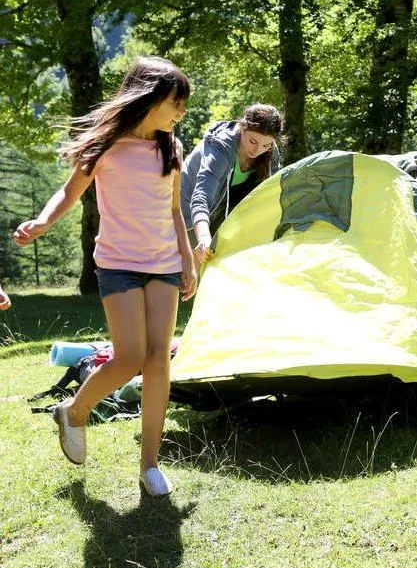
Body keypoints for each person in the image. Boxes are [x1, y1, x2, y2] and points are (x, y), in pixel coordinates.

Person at [13, 56, 197, 495]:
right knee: (130, 357)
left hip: (165, 264)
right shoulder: (106, 146)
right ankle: (74, 411)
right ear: (150, 99)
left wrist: (187, 259)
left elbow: (174, 210)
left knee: (158, 361)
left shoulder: (171, 146)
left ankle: (149, 464)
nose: (180, 112)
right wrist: (42, 222)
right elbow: (70, 191)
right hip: (118, 263)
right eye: (176, 102)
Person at [180, 103, 282, 266]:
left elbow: (271, 197)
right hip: (188, 215)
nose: (257, 150)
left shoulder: (270, 152)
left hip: (227, 214)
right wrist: (204, 238)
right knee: (192, 272)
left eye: (265, 145)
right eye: (253, 141)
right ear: (242, 128)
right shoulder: (221, 148)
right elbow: (200, 198)